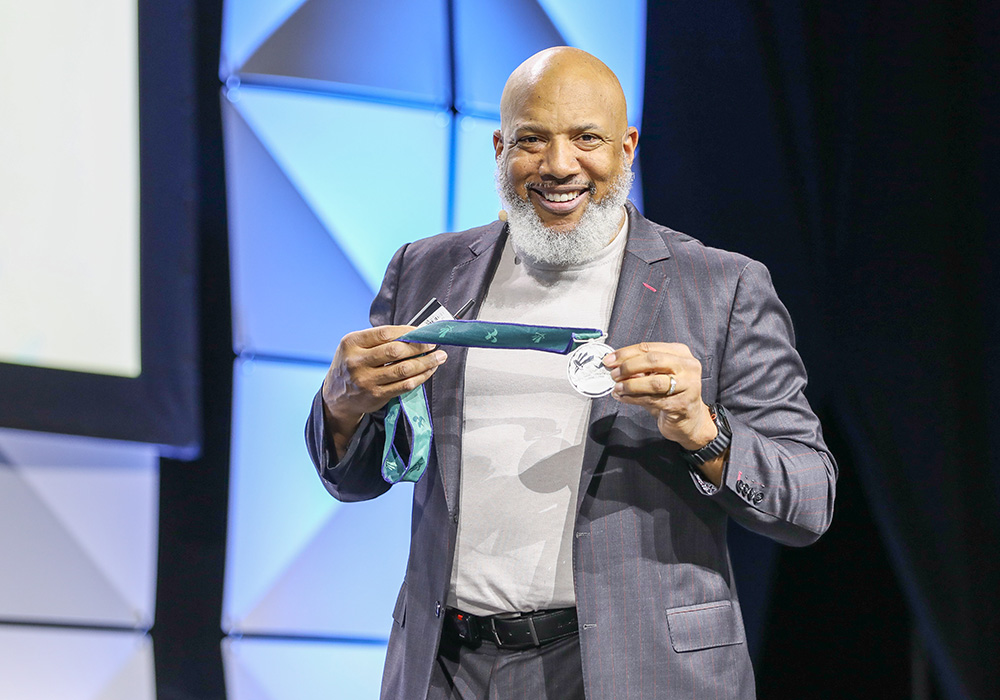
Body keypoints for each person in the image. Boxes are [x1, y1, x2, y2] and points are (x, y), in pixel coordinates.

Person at [305, 46, 836, 700]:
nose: (559, 165)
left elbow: (808, 500)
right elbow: (356, 477)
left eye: (587, 138)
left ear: (627, 147)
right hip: (447, 668)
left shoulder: (721, 288)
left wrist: (705, 431)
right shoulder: (424, 269)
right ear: (500, 148)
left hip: (633, 670)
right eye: (532, 139)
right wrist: (341, 404)